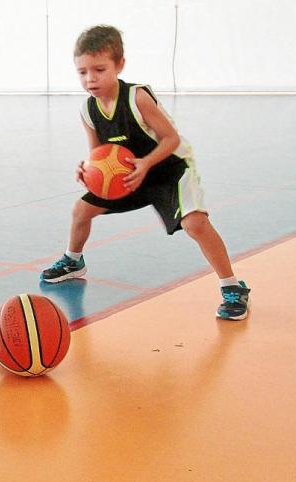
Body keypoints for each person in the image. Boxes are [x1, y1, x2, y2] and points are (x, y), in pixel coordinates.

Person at [40, 25, 250, 321]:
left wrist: (146, 163)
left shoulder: (137, 98)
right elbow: (97, 152)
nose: (90, 79)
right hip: (129, 174)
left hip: (169, 169)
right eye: (82, 72)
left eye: (99, 70)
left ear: (119, 65)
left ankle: (232, 287)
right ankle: (73, 261)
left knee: (195, 224)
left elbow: (171, 139)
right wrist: (87, 169)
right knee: (81, 210)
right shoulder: (88, 109)